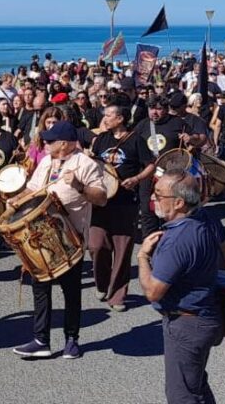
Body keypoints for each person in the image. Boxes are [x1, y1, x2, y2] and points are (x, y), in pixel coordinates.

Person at [10, 121, 107, 360]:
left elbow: (102, 197)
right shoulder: (46, 161)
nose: (46, 143)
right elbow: (32, 190)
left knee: (71, 291)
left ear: (64, 144)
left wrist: (78, 185)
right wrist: (16, 198)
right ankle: (41, 339)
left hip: (69, 237)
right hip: (41, 235)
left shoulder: (85, 164)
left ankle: (71, 340)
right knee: (40, 287)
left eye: (51, 140)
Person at [137, 171, 223, 404]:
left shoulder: (177, 240)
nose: (153, 199)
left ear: (178, 202)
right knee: (195, 387)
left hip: (187, 323)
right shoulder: (206, 220)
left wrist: (143, 257)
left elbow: (153, 291)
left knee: (182, 396)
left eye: (159, 194)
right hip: (204, 317)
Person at [90, 99, 155, 312]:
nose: (105, 119)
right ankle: (102, 282)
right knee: (96, 245)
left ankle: (117, 295)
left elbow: (150, 166)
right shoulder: (101, 139)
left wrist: (136, 179)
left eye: (109, 115)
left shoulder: (136, 140)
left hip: (125, 202)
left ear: (120, 118)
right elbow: (93, 163)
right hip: (101, 202)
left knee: (122, 249)